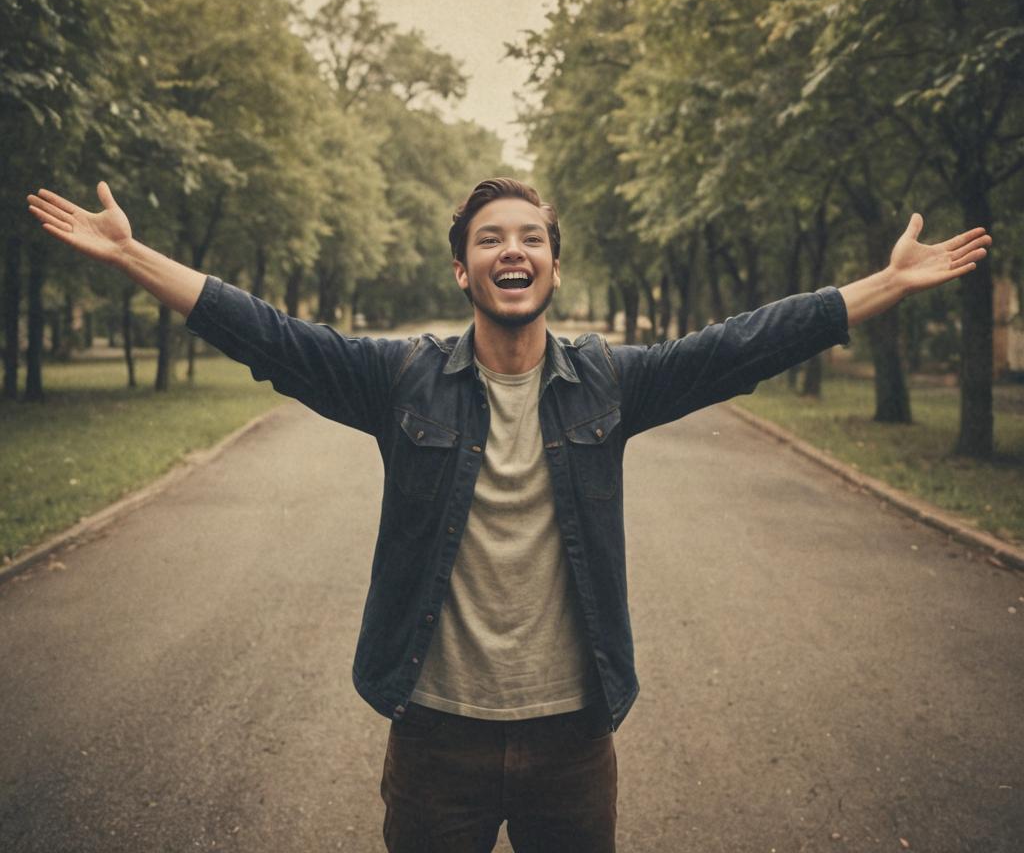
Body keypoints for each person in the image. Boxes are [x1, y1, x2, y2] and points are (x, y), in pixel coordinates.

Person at [27, 178, 990, 852]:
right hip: (435, 739)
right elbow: (269, 334)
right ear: (462, 272)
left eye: (530, 236)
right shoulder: (400, 379)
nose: (512, 249)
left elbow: (742, 345)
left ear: (554, 269)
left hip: (574, 743)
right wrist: (132, 254)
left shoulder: (609, 383)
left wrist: (887, 284)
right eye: (490, 239)